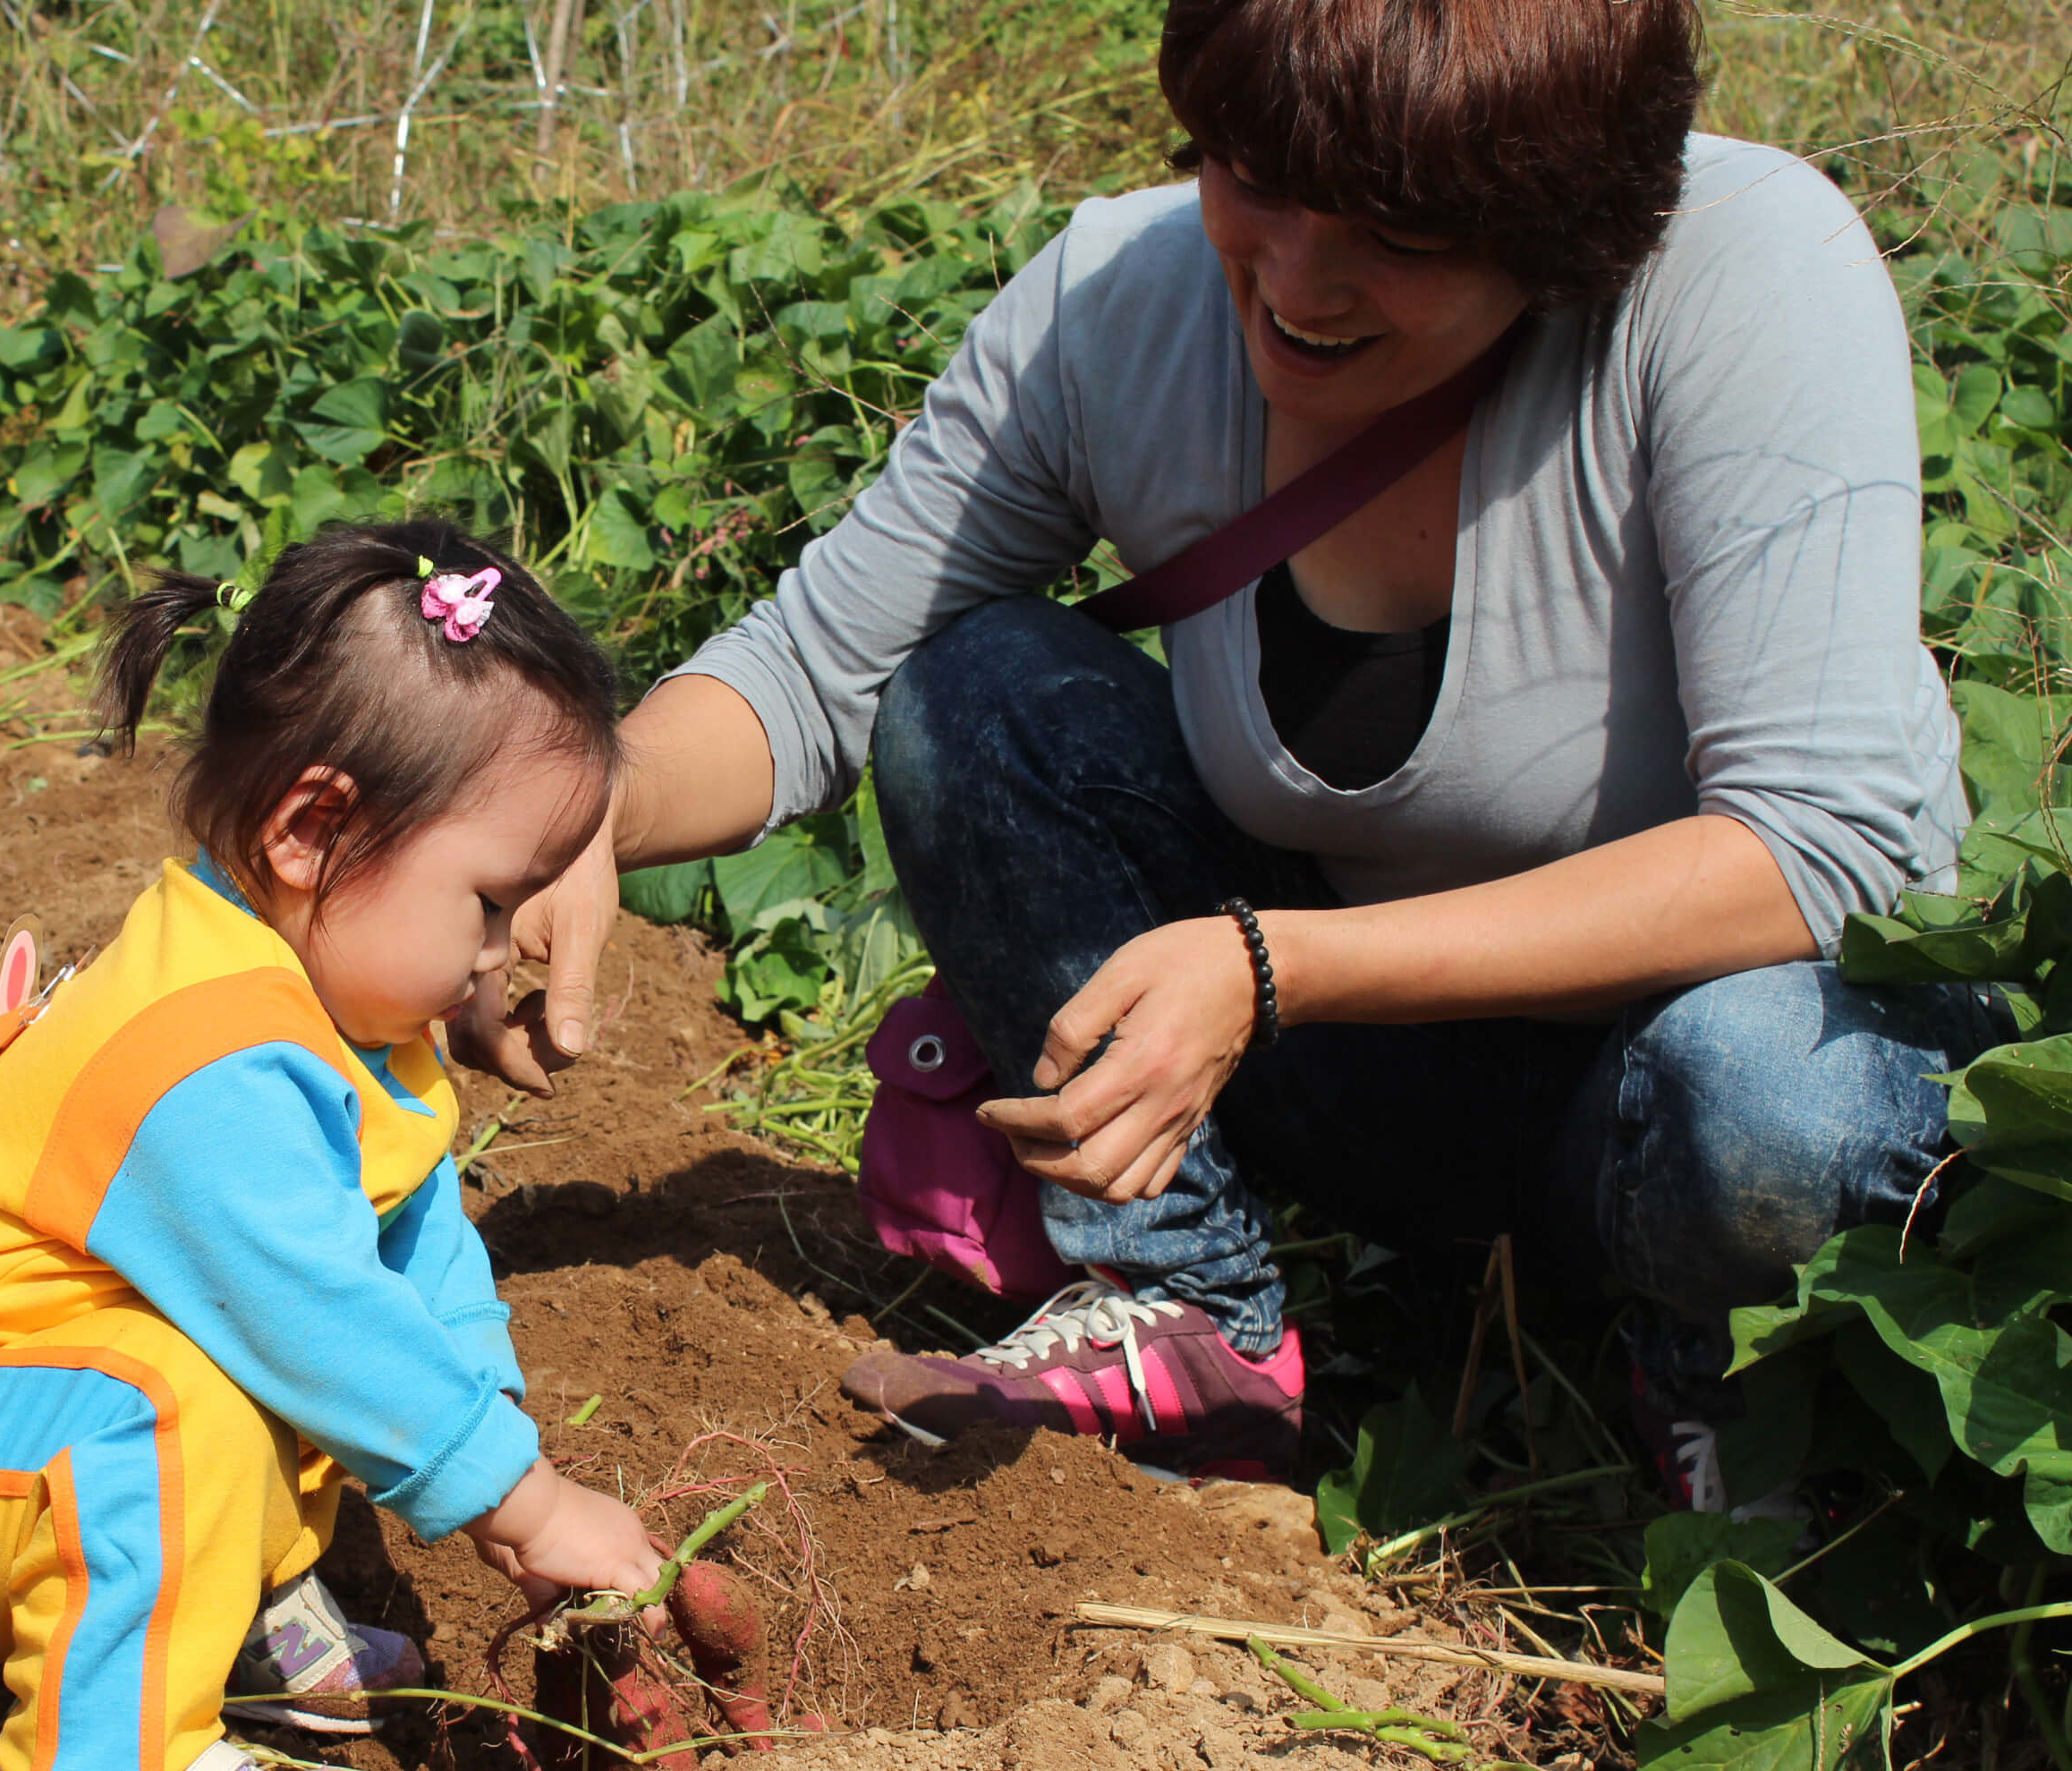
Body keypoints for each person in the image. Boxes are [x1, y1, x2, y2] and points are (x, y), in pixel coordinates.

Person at [458, 0, 1993, 1504]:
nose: (1298, 281)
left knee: (1776, 1102)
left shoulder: (1738, 272)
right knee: (977, 689)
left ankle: (1718, 1350)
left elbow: (1823, 846)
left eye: (1399, 233)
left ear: (1561, 229)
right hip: (1367, 1071)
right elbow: (813, 671)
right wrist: (581, 812)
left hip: (1685, 1071)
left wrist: (1272, 967)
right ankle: (1187, 1315)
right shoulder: (1122, 303)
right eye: (1254, 178)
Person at [0, 520, 668, 1771]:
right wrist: (525, 1505)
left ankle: (217, 1622)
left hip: (19, 1407)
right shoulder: (204, 1057)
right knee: (186, 1391)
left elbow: (422, 1260)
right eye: (487, 905)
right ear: (313, 831)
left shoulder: (350, 1016)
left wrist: (498, 1437)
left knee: (217, 1373)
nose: (499, 954)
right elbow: (317, 1315)